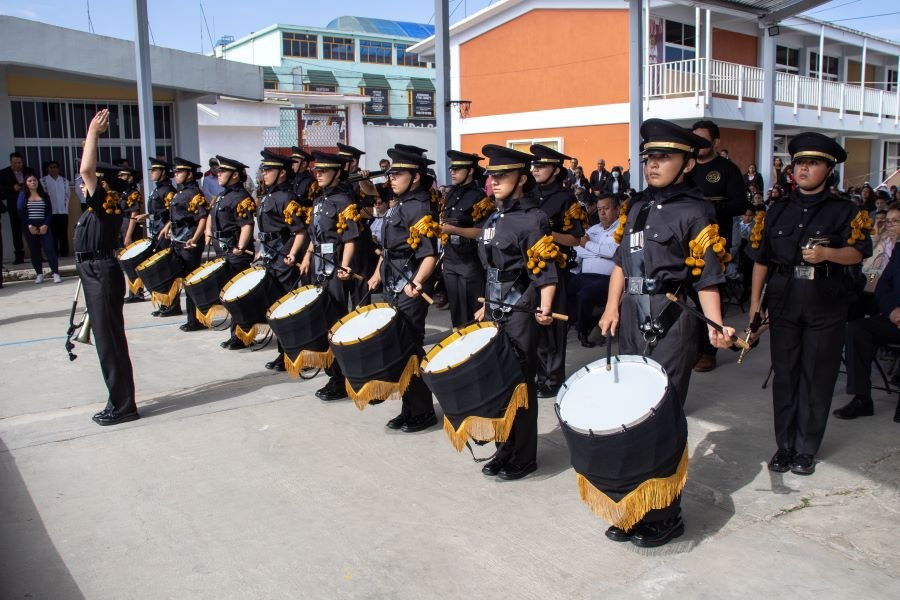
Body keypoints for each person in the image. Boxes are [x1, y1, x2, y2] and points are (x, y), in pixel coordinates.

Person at [599, 118, 734, 547]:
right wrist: (609, 308)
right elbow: (621, 261)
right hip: (631, 315)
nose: (653, 164)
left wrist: (714, 325)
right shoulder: (636, 206)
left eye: (664, 157)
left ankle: (665, 513)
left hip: (672, 320)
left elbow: (707, 276)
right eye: (649, 157)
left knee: (663, 415)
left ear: (687, 162)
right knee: (628, 413)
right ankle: (632, 505)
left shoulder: (697, 210)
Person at [748, 132, 872, 476]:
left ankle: (806, 448)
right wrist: (755, 306)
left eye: (812, 163)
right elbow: (762, 260)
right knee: (785, 375)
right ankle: (784, 446)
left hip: (825, 301)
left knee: (817, 376)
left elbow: (858, 252)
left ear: (829, 169)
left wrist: (826, 253)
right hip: (784, 298)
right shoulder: (777, 210)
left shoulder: (844, 209)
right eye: (799, 163)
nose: (803, 169)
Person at [474, 144, 559, 481]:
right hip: (494, 307)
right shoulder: (495, 217)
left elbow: (545, 271)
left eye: (503, 176)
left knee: (520, 381)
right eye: (492, 176)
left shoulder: (533, 218)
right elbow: (490, 268)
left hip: (521, 309)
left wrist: (545, 307)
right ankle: (503, 447)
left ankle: (523, 455)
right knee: (498, 381)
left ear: (522, 179)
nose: (494, 181)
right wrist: (484, 301)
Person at [367, 146, 439, 433]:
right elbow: (387, 249)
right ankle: (409, 408)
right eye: (391, 174)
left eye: (398, 174)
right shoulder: (398, 205)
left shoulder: (420, 209)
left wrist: (418, 282)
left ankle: (422, 411)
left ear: (416, 177)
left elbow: (429, 254)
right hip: (391, 283)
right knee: (398, 347)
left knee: (410, 347)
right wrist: (375, 274)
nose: (392, 179)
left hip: (409, 286)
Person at [74, 109, 138, 426]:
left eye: (90, 180)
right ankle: (119, 398)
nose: (83, 182)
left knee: (110, 342)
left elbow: (86, 167)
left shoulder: (106, 201)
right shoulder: (94, 208)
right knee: (105, 340)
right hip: (93, 270)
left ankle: (123, 405)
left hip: (101, 271)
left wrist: (93, 133)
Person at [687, 120, 748, 372]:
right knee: (688, 297)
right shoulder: (686, 167)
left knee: (710, 295)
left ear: (715, 142)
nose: (699, 145)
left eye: (704, 140)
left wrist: (708, 207)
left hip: (716, 243)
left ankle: (709, 350)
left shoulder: (727, 169)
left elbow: (740, 204)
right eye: (696, 140)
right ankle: (691, 347)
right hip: (687, 242)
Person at [530, 144, 587, 397]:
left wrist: (546, 235)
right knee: (532, 322)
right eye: (534, 165)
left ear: (555, 169)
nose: (536, 169)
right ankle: (535, 373)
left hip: (556, 267)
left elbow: (576, 238)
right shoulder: (529, 194)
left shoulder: (566, 199)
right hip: (530, 268)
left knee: (552, 324)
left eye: (541, 166)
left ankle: (552, 378)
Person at [302, 150, 357, 399]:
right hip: (318, 267)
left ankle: (341, 378)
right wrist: (306, 258)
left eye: (323, 171)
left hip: (335, 269)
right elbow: (314, 238)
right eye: (316, 171)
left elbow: (350, 238)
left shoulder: (344, 202)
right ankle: (332, 375)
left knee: (334, 321)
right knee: (321, 320)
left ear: (337, 173)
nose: (319, 174)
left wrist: (344, 265)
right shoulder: (318, 202)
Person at [833, 243, 900, 423]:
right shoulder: (899, 249)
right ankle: (862, 398)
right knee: (858, 329)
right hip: (895, 317)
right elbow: (883, 285)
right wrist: (892, 310)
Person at [256, 150, 308, 367]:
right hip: (271, 253)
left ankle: (293, 355)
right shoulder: (269, 195)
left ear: (283, 173)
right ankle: (284, 352)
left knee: (287, 309)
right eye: (264, 169)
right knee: (276, 307)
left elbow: (300, 231)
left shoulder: (287, 198)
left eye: (269, 170)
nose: (264, 174)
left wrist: (292, 254)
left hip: (283, 256)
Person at [440, 150, 493, 328]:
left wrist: (453, 229)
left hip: (469, 260)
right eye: (452, 169)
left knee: (471, 309)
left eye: (458, 169)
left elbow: (481, 232)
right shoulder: (450, 193)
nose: (452, 172)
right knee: (455, 308)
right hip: (450, 257)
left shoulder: (479, 196)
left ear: (470, 170)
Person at [207, 155, 256, 349]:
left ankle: (243, 336)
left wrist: (241, 247)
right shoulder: (222, 195)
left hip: (236, 253)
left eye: (223, 172)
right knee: (228, 295)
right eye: (218, 172)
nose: (218, 175)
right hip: (223, 250)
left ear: (235, 175)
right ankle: (235, 334)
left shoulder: (241, 197)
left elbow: (246, 225)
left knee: (238, 297)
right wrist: (208, 233)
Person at [160, 158, 208, 331]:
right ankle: (188, 316)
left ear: (189, 174)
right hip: (179, 240)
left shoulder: (195, 193)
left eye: (179, 172)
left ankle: (195, 320)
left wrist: (195, 239)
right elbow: (176, 216)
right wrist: (167, 226)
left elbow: (202, 218)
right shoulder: (181, 193)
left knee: (190, 282)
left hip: (189, 243)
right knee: (179, 279)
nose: (176, 175)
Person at [569, 193, 618, 347]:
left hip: (606, 280)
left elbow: (613, 252)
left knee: (585, 295)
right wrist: (599, 250)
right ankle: (572, 322)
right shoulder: (593, 229)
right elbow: (577, 250)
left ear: (617, 210)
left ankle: (583, 330)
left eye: (606, 208)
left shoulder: (622, 229)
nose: (602, 213)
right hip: (584, 275)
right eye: (599, 209)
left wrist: (589, 245)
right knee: (562, 287)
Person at [18, 174, 60, 283]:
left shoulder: (44, 195)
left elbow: (49, 211)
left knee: (49, 249)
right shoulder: (23, 195)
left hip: (44, 226)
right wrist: (30, 226)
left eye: (34, 180)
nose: (33, 182)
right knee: (34, 251)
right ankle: (39, 274)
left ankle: (55, 273)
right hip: (30, 227)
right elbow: (20, 211)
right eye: (30, 181)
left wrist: (45, 225)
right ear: (26, 183)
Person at [117, 166, 146, 303]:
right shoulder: (122, 192)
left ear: (130, 177)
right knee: (126, 263)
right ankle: (133, 291)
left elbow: (134, 214)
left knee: (133, 262)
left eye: (123, 175)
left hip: (131, 230)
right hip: (121, 228)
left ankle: (138, 292)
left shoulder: (133, 193)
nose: (120, 177)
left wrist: (128, 235)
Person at [1, 152, 34, 264]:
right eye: (15, 163)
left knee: (32, 229)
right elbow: (1, 190)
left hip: (29, 205)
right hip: (14, 206)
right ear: (11, 162)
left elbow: (36, 183)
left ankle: (36, 253)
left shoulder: (28, 171)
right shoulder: (4, 173)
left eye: (19, 163)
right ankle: (19, 256)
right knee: (16, 231)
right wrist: (12, 188)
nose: (17, 165)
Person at [41, 161, 71, 257]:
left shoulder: (64, 181)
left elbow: (68, 195)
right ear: (47, 169)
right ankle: (54, 252)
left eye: (55, 167)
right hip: (50, 212)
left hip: (62, 211)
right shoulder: (42, 181)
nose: (53, 169)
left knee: (63, 233)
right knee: (52, 233)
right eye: (51, 167)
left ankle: (64, 252)